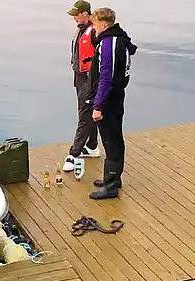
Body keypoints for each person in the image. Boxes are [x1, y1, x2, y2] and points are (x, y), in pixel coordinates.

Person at [86, 7, 136, 200]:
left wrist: (98, 105)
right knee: (113, 137)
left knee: (111, 140)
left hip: (109, 100)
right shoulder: (117, 40)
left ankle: (111, 186)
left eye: (95, 24)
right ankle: (113, 177)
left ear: (103, 24)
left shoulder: (110, 43)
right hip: (114, 97)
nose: (94, 28)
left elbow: (107, 77)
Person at [63, 0, 102, 173]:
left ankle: (74, 153)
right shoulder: (81, 30)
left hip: (89, 79)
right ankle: (92, 146)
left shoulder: (94, 32)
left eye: (76, 15)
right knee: (86, 111)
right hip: (80, 77)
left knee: (85, 115)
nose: (74, 18)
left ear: (86, 14)